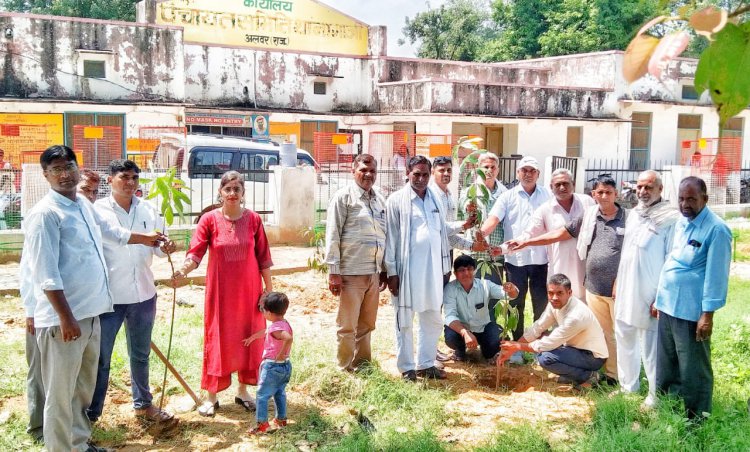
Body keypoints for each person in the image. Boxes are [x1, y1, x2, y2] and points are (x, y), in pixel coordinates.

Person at [23, 145, 164, 452]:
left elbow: (112, 232)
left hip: (92, 313)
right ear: (46, 175)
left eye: (68, 166)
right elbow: (46, 274)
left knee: (81, 390)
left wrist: (147, 238)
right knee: (60, 394)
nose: (64, 174)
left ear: (78, 167)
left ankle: (79, 443)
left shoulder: (83, 206)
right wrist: (65, 317)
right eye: (56, 169)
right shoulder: (46, 214)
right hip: (65, 321)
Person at [172, 171, 273, 416]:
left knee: (250, 338)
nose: (232, 194)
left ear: (243, 193)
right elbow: (195, 252)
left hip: (250, 293)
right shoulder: (208, 220)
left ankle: (243, 391)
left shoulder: (254, 221)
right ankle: (211, 396)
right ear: (220, 192)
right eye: (227, 189)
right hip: (220, 293)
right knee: (217, 338)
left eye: (236, 189)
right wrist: (183, 270)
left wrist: (268, 291)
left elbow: (263, 257)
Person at [509, 175, 625, 383]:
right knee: (602, 329)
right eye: (600, 192)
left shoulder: (626, 217)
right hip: (592, 285)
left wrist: (518, 347)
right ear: (594, 194)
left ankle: (618, 377)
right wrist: (526, 242)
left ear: (616, 194)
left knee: (620, 333)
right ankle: (602, 373)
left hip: (616, 287)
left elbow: (631, 253)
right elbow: (560, 233)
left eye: (608, 192)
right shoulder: (590, 214)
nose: (604, 196)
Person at [88, 159, 177, 425]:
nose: (130, 183)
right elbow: (107, 240)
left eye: (134, 178)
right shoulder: (97, 210)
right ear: (110, 180)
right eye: (124, 177)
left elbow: (159, 249)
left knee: (140, 354)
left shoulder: (149, 209)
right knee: (101, 358)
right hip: (109, 298)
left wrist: (167, 247)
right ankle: (91, 414)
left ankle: (143, 405)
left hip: (144, 295)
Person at [384, 156, 486, 381]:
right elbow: (390, 238)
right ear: (408, 173)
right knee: (405, 320)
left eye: (425, 174)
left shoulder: (436, 200)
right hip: (407, 271)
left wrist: (467, 233)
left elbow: (444, 232)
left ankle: (426, 363)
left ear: (430, 175)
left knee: (432, 318)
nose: (421, 179)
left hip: (434, 269)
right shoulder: (396, 200)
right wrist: (391, 272)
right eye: (416, 174)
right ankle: (407, 368)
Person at [655, 176, 731, 420]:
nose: (685, 204)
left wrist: (707, 315)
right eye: (681, 198)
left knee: (693, 366)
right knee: (667, 362)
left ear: (705, 199)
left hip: (691, 310)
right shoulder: (682, 222)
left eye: (691, 199)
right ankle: (669, 407)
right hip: (668, 304)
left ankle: (698, 417)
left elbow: (717, 276)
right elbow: (672, 260)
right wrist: (658, 298)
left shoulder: (717, 229)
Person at [614, 170, 679, 408]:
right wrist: (617, 282)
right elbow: (627, 253)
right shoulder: (634, 215)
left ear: (660, 190)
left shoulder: (670, 218)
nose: (642, 192)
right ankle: (628, 388)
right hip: (626, 288)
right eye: (640, 187)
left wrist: (660, 297)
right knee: (624, 335)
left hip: (650, 293)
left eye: (648, 187)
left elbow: (671, 260)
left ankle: (654, 396)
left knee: (651, 345)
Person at [479, 155, 552, 363]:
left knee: (541, 304)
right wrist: (481, 233)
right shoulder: (508, 197)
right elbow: (494, 218)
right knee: (516, 304)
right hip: (515, 261)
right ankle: (517, 347)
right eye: (524, 171)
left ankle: (540, 347)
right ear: (518, 173)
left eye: (532, 171)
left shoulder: (547, 195)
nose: (528, 174)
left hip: (541, 259)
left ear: (538, 174)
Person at [324, 154, 387, 372]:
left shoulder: (379, 199)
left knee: (367, 324)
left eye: (372, 171)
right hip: (350, 273)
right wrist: (333, 271)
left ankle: (363, 364)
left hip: (373, 272)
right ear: (353, 171)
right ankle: (344, 367)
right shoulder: (344, 197)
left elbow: (384, 233)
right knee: (347, 325)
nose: (368, 175)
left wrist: (384, 269)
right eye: (363, 170)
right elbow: (333, 233)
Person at [498, 274, 608, 388]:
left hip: (593, 357)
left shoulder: (576, 316)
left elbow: (549, 343)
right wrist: (512, 350)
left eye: (560, 293)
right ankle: (574, 375)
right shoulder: (555, 304)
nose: (554, 297)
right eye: (551, 293)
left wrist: (517, 346)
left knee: (545, 358)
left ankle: (588, 377)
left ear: (569, 293)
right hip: (575, 350)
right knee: (544, 348)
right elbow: (538, 327)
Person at [511, 168, 594, 299]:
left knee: (585, 309)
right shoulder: (545, 209)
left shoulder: (587, 202)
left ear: (573, 184)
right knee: (561, 308)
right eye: (557, 184)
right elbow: (530, 233)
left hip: (585, 268)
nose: (562, 187)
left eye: (566, 183)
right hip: (559, 267)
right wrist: (514, 244)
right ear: (551, 187)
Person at [443, 255, 519, 362]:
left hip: (483, 327)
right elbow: (449, 316)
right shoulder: (450, 289)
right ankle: (460, 351)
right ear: (455, 273)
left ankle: (487, 352)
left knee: (495, 342)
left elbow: (508, 295)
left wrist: (511, 289)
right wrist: (465, 333)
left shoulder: (485, 285)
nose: (466, 273)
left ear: (474, 270)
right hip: (461, 330)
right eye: (461, 270)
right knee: (451, 337)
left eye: (469, 269)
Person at [243, 292, 293, 435]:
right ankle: (281, 419)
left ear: (269, 313)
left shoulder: (276, 328)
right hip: (285, 366)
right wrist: (253, 337)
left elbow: (287, 338)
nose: (262, 312)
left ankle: (262, 424)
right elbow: (267, 331)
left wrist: (281, 352)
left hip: (272, 366)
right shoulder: (283, 323)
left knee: (262, 395)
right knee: (279, 392)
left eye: (262, 309)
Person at [462, 152, 508, 294]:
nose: (489, 170)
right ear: (478, 168)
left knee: (492, 296)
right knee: (473, 295)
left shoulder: (505, 193)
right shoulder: (470, 191)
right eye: (485, 167)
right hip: (475, 253)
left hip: (495, 254)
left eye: (493, 167)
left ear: (498, 170)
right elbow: (464, 215)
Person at [19, 253, 44, 444]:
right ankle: (38, 427)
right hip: (41, 313)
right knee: (38, 371)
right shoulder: (41, 223)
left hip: (71, 312)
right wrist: (30, 312)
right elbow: (28, 272)